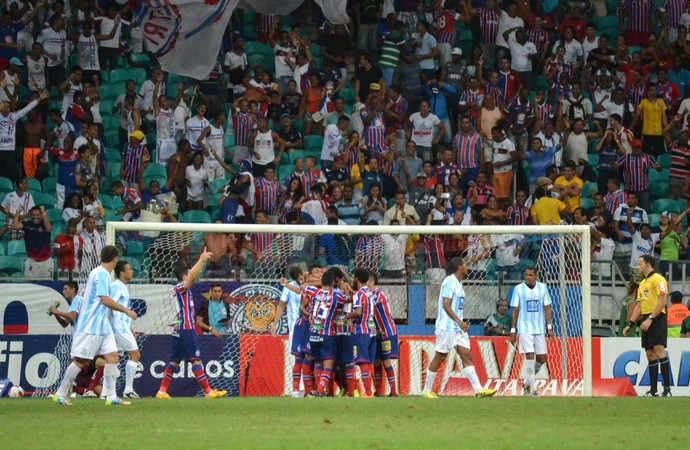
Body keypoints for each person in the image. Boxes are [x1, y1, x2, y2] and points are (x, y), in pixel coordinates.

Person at [53, 245, 137, 406]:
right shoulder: (101, 274)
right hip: (91, 326)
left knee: (113, 358)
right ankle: (61, 393)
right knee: (81, 361)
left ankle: (111, 397)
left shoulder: (98, 273)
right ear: (115, 259)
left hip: (103, 326)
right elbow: (105, 300)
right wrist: (126, 310)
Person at [156, 247, 227, 399]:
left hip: (179, 327)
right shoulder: (181, 288)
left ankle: (162, 391)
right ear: (184, 276)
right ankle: (208, 392)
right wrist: (201, 260)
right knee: (195, 360)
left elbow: (193, 276)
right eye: (189, 273)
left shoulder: (183, 290)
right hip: (185, 327)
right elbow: (193, 276)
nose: (192, 274)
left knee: (174, 361)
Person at [421, 257, 497, 398]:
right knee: (440, 356)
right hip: (447, 326)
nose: (467, 267)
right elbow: (446, 304)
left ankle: (478, 390)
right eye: (465, 265)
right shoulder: (449, 281)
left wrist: (461, 323)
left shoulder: (459, 284)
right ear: (459, 267)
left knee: (466, 355)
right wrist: (459, 322)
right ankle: (426, 390)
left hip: (458, 328)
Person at [623, 255, 672, 397]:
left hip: (657, 317)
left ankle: (667, 389)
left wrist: (651, 318)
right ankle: (653, 390)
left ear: (648, 265)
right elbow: (639, 306)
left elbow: (663, 300)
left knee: (659, 350)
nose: (638, 267)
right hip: (646, 319)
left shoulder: (659, 279)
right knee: (649, 354)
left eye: (640, 264)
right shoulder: (643, 284)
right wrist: (630, 324)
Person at [509, 266, 554, 396]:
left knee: (541, 360)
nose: (527, 277)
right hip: (524, 328)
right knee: (529, 355)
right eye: (526, 275)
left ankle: (527, 381)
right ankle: (533, 390)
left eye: (530, 275)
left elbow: (547, 308)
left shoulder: (542, 287)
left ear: (536, 276)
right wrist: (513, 330)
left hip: (539, 328)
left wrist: (549, 327)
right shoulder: (518, 289)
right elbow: (515, 310)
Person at [305, 270, 348, 396]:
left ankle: (319, 391)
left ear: (322, 281)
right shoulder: (336, 296)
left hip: (313, 333)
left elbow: (303, 287)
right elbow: (348, 298)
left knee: (317, 362)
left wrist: (318, 282)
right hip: (327, 334)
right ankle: (319, 391)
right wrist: (344, 288)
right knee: (328, 364)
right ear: (333, 283)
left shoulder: (313, 291)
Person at [110, 260, 141, 399]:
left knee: (113, 360)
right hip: (118, 328)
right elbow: (110, 304)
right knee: (135, 355)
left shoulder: (123, 287)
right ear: (121, 273)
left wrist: (130, 328)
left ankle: (106, 392)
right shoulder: (116, 286)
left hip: (122, 327)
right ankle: (128, 390)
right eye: (129, 269)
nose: (131, 271)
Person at [343, 269, 376, 398]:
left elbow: (358, 312)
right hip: (371, 330)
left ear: (356, 279)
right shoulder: (369, 292)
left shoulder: (359, 294)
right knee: (367, 362)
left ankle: (368, 392)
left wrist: (347, 318)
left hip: (361, 331)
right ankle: (369, 391)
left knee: (361, 362)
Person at [274, 268, 307, 397]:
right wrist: (275, 324)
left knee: (309, 357)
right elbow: (281, 305)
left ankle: (308, 387)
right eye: (299, 277)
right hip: (295, 326)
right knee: (298, 357)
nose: (302, 278)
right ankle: (298, 388)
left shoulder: (309, 286)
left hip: (309, 326)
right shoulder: (289, 288)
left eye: (302, 276)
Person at [370, 272, 398, 397]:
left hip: (387, 332)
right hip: (376, 333)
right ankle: (379, 391)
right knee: (376, 361)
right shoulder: (368, 294)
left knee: (386, 362)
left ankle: (393, 391)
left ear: (371, 282)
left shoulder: (378, 294)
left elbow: (368, 304)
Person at [12, 205, 52, 279]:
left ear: (41, 215)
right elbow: (14, 226)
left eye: (37, 215)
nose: (35, 217)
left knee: (47, 285)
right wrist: (18, 212)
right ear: (30, 215)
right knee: (30, 285)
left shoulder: (45, 223)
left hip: (46, 260)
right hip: (31, 260)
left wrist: (44, 213)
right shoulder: (27, 224)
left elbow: (48, 228)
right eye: (33, 215)